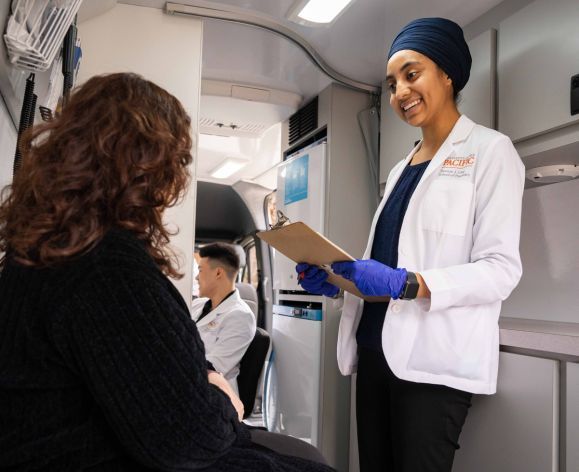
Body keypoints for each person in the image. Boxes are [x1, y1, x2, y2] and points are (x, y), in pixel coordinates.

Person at [0, 72, 333, 471]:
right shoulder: (104, 266)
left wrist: (202, 378)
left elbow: (154, 358)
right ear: (150, 166)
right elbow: (187, 436)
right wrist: (224, 401)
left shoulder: (50, 249)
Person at [297, 17, 525, 472]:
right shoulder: (401, 168)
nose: (400, 91)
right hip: (375, 350)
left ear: (448, 74)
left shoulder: (490, 151)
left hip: (431, 365)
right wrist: (339, 280)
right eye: (392, 82)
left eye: (411, 74)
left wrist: (408, 284)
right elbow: (389, 264)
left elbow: (501, 269)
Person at [192, 242, 256, 395]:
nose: (196, 277)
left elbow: (213, 367)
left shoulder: (241, 316)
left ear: (218, 273)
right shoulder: (197, 305)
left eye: (200, 270)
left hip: (212, 394)